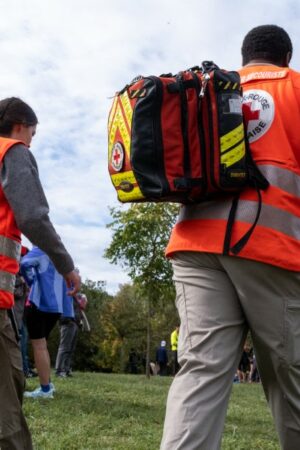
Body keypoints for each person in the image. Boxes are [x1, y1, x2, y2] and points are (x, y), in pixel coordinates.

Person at [160, 25, 300, 450]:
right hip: (269, 248)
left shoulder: (208, 89)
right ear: (285, 58)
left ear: (245, 57)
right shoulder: (294, 89)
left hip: (195, 243)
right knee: (289, 374)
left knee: (200, 370)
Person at [0, 97, 81, 449]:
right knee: (6, 403)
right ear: (20, 126)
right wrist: (67, 265)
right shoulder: (13, 152)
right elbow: (32, 216)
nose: (32, 140)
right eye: (33, 133)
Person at [21, 246, 75, 397]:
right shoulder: (62, 254)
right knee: (42, 345)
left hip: (40, 302)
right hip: (57, 306)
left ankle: (45, 389)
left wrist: (32, 283)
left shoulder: (41, 249)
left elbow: (24, 263)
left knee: (39, 346)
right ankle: (48, 383)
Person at [55, 292, 90, 377]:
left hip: (74, 323)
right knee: (64, 348)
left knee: (70, 349)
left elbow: (81, 308)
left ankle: (66, 369)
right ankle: (60, 370)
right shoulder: (69, 296)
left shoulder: (77, 299)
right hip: (68, 322)